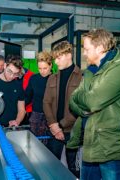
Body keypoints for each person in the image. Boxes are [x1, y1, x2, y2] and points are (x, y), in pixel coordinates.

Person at [68, 28, 120, 180]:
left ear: (100, 48)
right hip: (90, 142)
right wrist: (84, 111)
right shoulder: (90, 70)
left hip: (110, 147)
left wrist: (84, 99)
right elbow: (73, 99)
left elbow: (93, 101)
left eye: (86, 49)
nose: (84, 53)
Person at [43, 41, 82, 177]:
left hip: (73, 130)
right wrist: (53, 125)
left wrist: (60, 125)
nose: (56, 62)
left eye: (58, 58)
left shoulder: (82, 77)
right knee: (51, 165)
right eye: (55, 58)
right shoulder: (52, 77)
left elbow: (80, 107)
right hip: (54, 130)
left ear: (68, 55)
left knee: (73, 167)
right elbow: (46, 102)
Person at [25, 51, 52, 144]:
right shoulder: (34, 78)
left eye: (45, 68)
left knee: (50, 146)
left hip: (52, 116)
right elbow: (27, 96)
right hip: (36, 115)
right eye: (40, 68)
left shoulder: (55, 79)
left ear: (51, 65)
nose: (42, 71)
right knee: (36, 144)